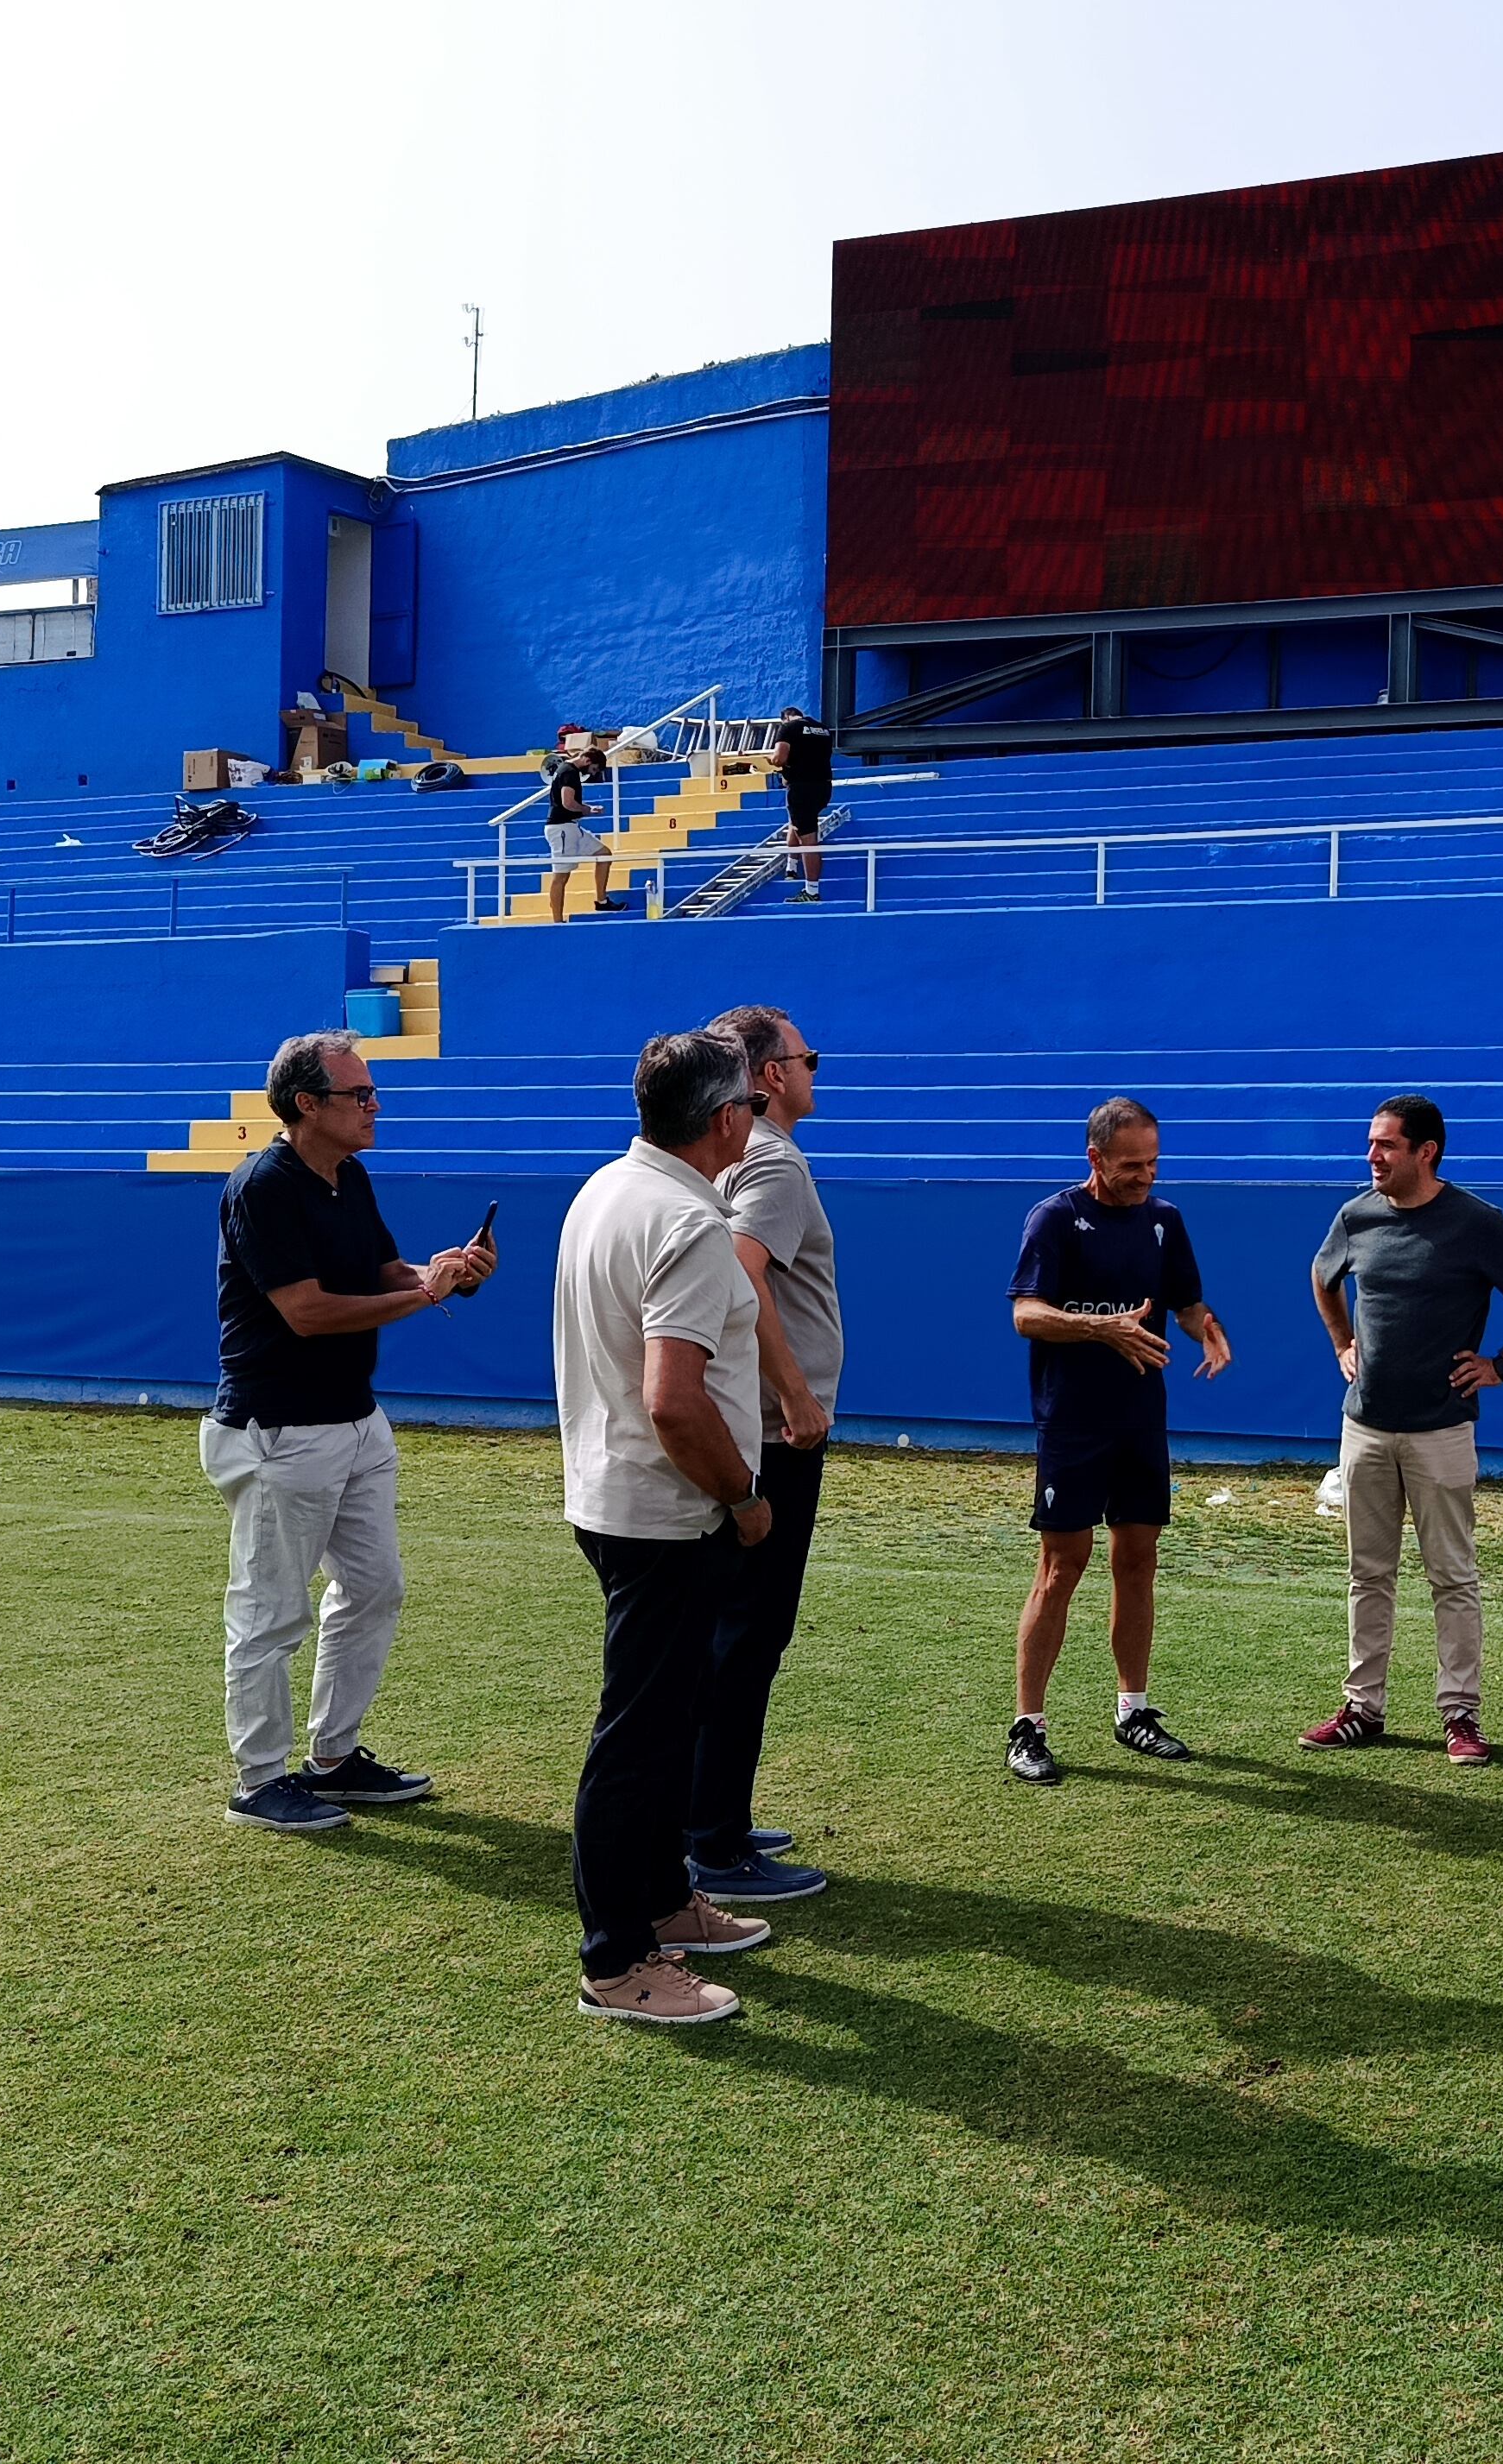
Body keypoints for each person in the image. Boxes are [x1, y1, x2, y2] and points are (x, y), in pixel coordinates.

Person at [201, 1032, 494, 1836]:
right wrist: (425, 1296)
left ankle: (332, 1758)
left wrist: (445, 1270)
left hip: (353, 1419)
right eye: (358, 1095)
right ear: (307, 1105)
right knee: (269, 1611)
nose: (374, 1105)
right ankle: (259, 1779)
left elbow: (380, 1272)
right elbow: (307, 1311)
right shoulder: (262, 1187)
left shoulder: (348, 1176)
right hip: (280, 1427)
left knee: (374, 1588)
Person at [553, 1031, 780, 2027]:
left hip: (620, 1500)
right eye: (751, 1106)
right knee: (640, 1738)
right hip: (666, 1513)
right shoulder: (684, 1222)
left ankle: (659, 1904)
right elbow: (675, 1400)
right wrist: (740, 1496)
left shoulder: (608, 1188)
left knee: (661, 1719)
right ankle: (617, 1960)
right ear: (725, 1118)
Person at [1298, 1096, 1503, 1767]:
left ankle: (1461, 1714)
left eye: (1387, 1145)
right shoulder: (1356, 1216)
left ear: (1427, 1152)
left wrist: (1502, 1363)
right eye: (1371, 1144)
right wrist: (1341, 1342)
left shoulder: (1475, 1221)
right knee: (1369, 1573)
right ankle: (1364, 1707)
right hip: (1364, 1426)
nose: (1373, 1157)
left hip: (1441, 1431)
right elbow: (1322, 1275)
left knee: (1452, 1576)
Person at [1006, 1097, 1233, 1785]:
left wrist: (1208, 1329)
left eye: (1154, 1162)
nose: (1145, 1176)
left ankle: (1133, 1709)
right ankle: (1028, 1726)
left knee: (1138, 1560)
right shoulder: (1055, 1218)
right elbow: (1026, 1313)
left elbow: (1186, 1302)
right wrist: (1100, 1329)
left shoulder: (1165, 1220)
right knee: (1061, 1566)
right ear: (1095, 1159)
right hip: (1072, 1420)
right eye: (1131, 1165)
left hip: (1141, 1419)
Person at [689, 1005, 843, 1903]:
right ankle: (715, 1842)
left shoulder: (734, 1156)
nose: (815, 1069)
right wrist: (793, 1394)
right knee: (748, 1636)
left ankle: (711, 1813)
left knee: (726, 1634)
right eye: (806, 1056)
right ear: (771, 1075)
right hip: (770, 1432)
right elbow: (744, 1272)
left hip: (742, 1421)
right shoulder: (775, 1160)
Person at [542, 727, 624, 921]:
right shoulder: (569, 771)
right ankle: (557, 921)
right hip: (561, 828)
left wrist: (588, 808)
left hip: (571, 827)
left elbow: (570, 803)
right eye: (593, 769)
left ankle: (602, 901)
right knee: (561, 876)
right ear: (588, 760)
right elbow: (567, 802)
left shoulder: (568, 770)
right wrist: (587, 810)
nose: (592, 773)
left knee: (604, 854)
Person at [768, 710, 840, 901]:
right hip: (823, 786)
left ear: (785, 718)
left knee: (808, 840)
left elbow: (779, 758)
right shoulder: (822, 729)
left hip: (801, 788)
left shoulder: (788, 728)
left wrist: (771, 760)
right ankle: (791, 869)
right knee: (797, 825)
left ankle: (812, 892)